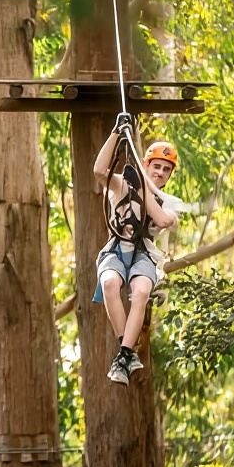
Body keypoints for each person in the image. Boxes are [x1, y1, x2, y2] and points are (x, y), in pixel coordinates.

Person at [91, 113, 182, 385]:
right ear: (146, 165)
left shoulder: (168, 202)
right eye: (156, 167)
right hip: (116, 250)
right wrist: (116, 134)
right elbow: (98, 171)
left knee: (141, 292)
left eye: (166, 170)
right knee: (109, 284)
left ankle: (125, 353)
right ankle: (126, 351)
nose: (160, 173)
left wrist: (142, 187)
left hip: (143, 254)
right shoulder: (121, 185)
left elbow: (165, 220)